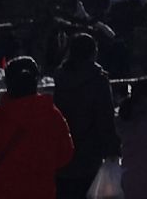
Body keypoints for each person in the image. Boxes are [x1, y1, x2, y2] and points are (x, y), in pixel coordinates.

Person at [0, 56, 74, 199]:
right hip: (42, 191)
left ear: (7, 83)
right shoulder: (52, 115)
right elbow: (65, 154)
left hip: (2, 191)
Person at [53, 32, 120, 199]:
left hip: (62, 150)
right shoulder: (98, 80)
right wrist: (112, 148)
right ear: (93, 52)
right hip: (89, 151)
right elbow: (105, 117)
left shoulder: (61, 78)